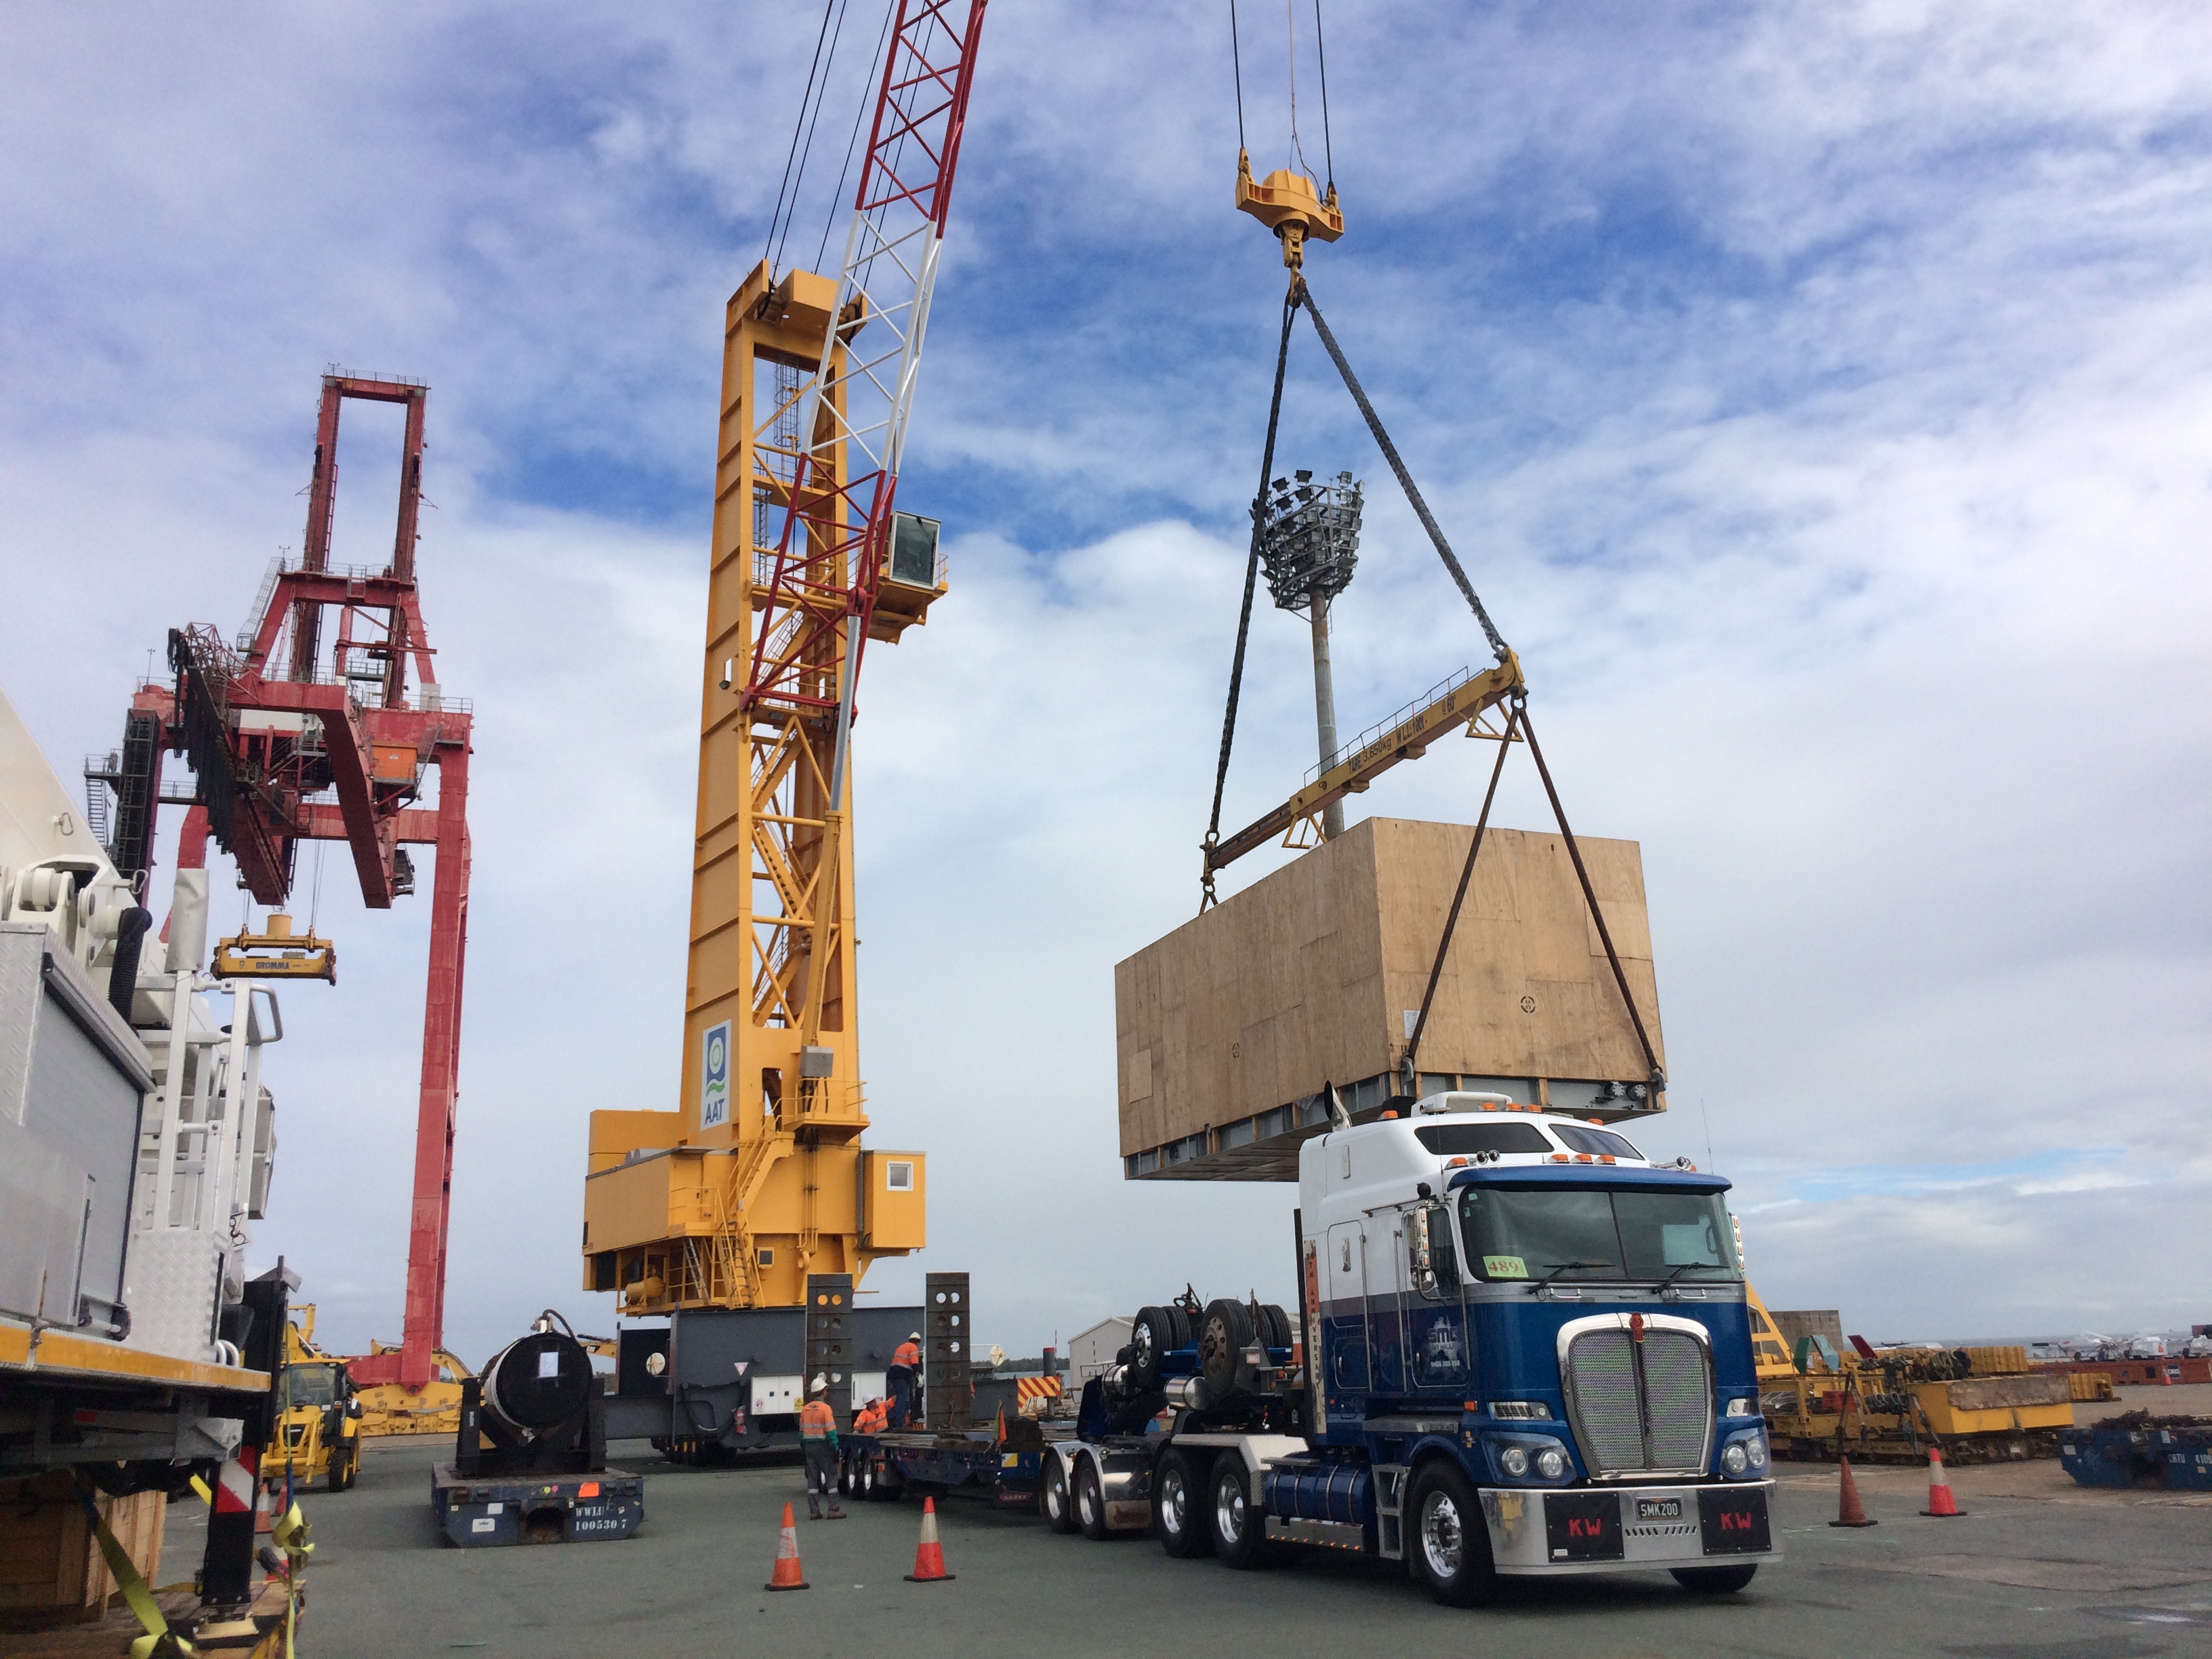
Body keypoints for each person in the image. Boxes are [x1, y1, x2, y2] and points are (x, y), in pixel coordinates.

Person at [799, 1376, 844, 1519]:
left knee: (812, 1480)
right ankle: (834, 1509)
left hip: (809, 1447)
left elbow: (801, 1434)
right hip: (824, 1447)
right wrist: (835, 1449)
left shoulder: (805, 1409)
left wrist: (803, 1449)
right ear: (823, 1392)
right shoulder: (825, 1409)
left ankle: (814, 1511)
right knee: (831, 1477)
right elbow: (831, 1432)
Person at [888, 1331, 922, 1429]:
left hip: (894, 1375)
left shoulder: (902, 1346)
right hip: (902, 1375)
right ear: (918, 1342)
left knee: (901, 1398)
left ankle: (900, 1422)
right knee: (903, 1399)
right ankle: (900, 1424)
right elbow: (914, 1364)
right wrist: (919, 1374)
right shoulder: (913, 1347)